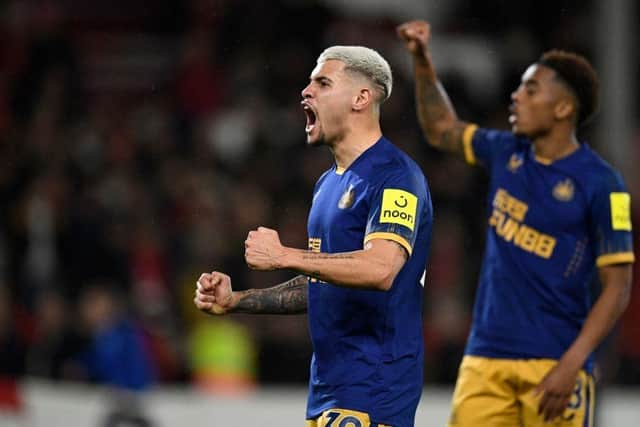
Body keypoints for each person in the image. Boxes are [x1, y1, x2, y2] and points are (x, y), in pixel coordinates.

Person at [397, 20, 634, 426]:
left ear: (563, 108)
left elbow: (618, 286)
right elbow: (441, 129)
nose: (516, 96)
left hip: (555, 362)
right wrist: (422, 62)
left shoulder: (603, 183)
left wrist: (573, 363)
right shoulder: (505, 151)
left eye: (531, 89)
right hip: (484, 359)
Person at [194, 46, 433, 427]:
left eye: (322, 82)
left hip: (373, 393)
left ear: (361, 98)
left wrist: (284, 255)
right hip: (330, 393)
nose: (306, 91)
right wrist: (236, 300)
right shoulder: (327, 184)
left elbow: (381, 267)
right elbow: (322, 282)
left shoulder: (395, 176)